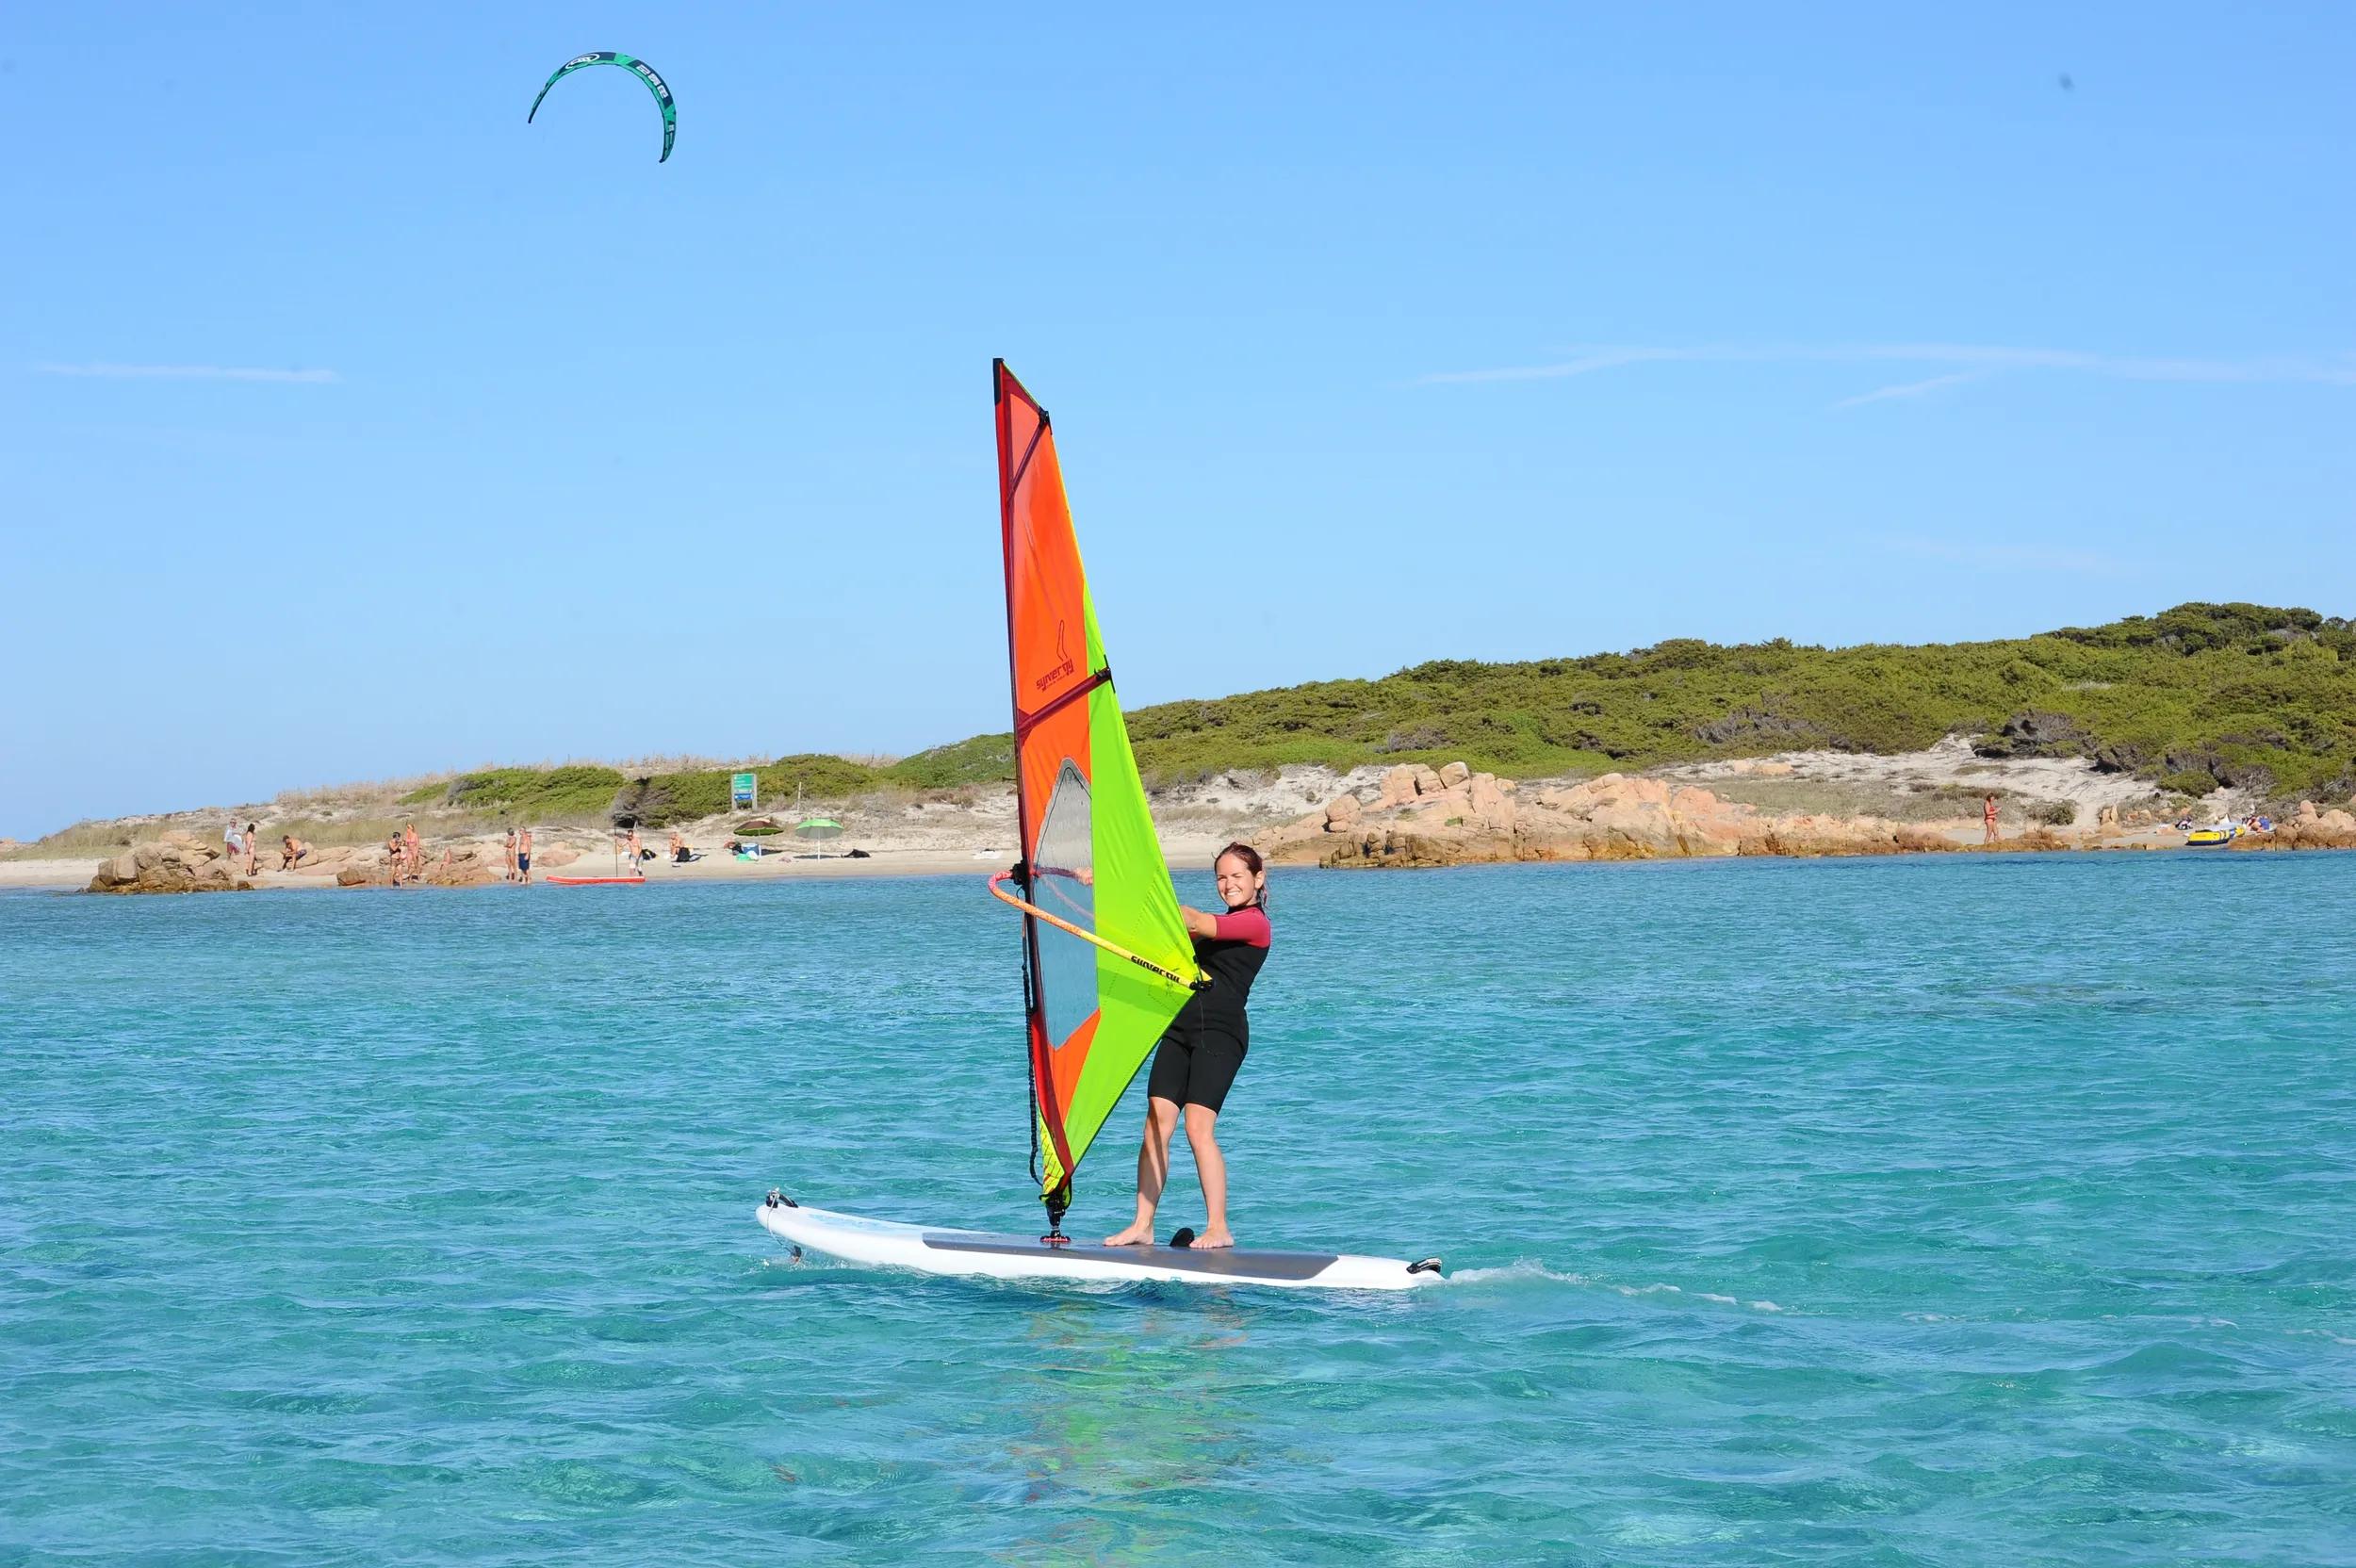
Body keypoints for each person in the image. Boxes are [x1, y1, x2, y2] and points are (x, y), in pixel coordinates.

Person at [1104, 843, 1273, 1250]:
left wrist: (1138, 889)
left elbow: (1194, 920)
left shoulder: (1254, 924)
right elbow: (1160, 928)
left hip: (1221, 1033)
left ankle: (1219, 1227)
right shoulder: (1209, 926)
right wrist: (1109, 890)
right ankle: (1143, 1224)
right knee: (1155, 1123)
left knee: (1198, 1128)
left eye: (1237, 876)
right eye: (1221, 877)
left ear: (1258, 879)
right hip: (1179, 1029)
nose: (1228, 884)